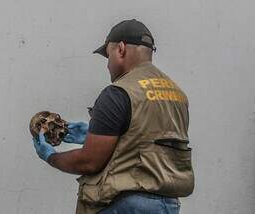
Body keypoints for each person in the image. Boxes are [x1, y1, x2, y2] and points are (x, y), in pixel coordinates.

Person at [31, 19, 194, 214]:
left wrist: (51, 157)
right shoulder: (177, 95)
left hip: (124, 205)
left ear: (121, 49)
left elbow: (89, 161)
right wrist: (92, 134)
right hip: (167, 206)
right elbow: (147, 142)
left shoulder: (118, 93)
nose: (107, 66)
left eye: (108, 56)